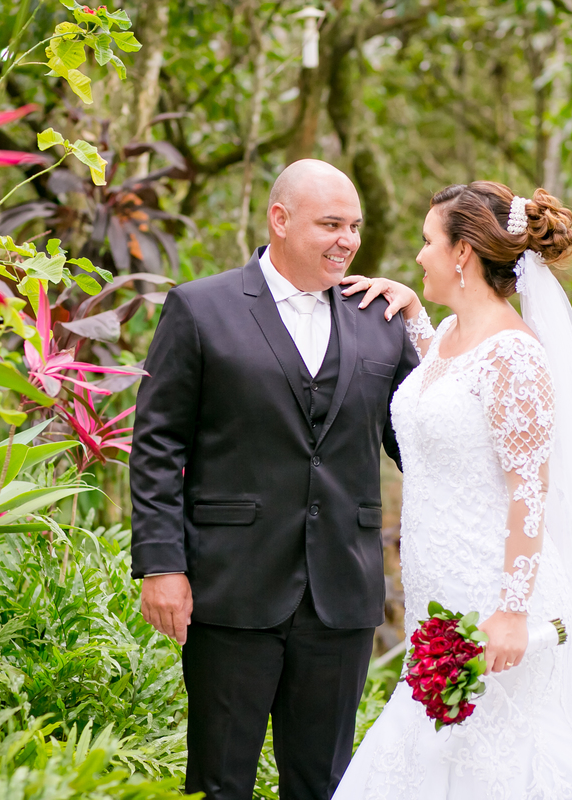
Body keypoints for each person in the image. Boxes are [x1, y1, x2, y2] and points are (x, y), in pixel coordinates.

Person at [332, 181, 572, 799]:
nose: (418, 256)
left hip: (493, 597)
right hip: (436, 591)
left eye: (428, 242)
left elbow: (530, 490)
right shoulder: (453, 337)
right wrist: (413, 315)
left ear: (462, 253)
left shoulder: (516, 356)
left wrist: (511, 610)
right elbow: (449, 396)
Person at [128, 159, 421, 800]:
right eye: (331, 224)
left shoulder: (382, 320)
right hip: (230, 586)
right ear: (280, 219)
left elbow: (421, 445)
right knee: (218, 781)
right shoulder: (199, 308)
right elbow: (157, 445)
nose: (348, 240)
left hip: (342, 592)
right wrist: (161, 564)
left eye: (355, 227)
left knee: (323, 784)